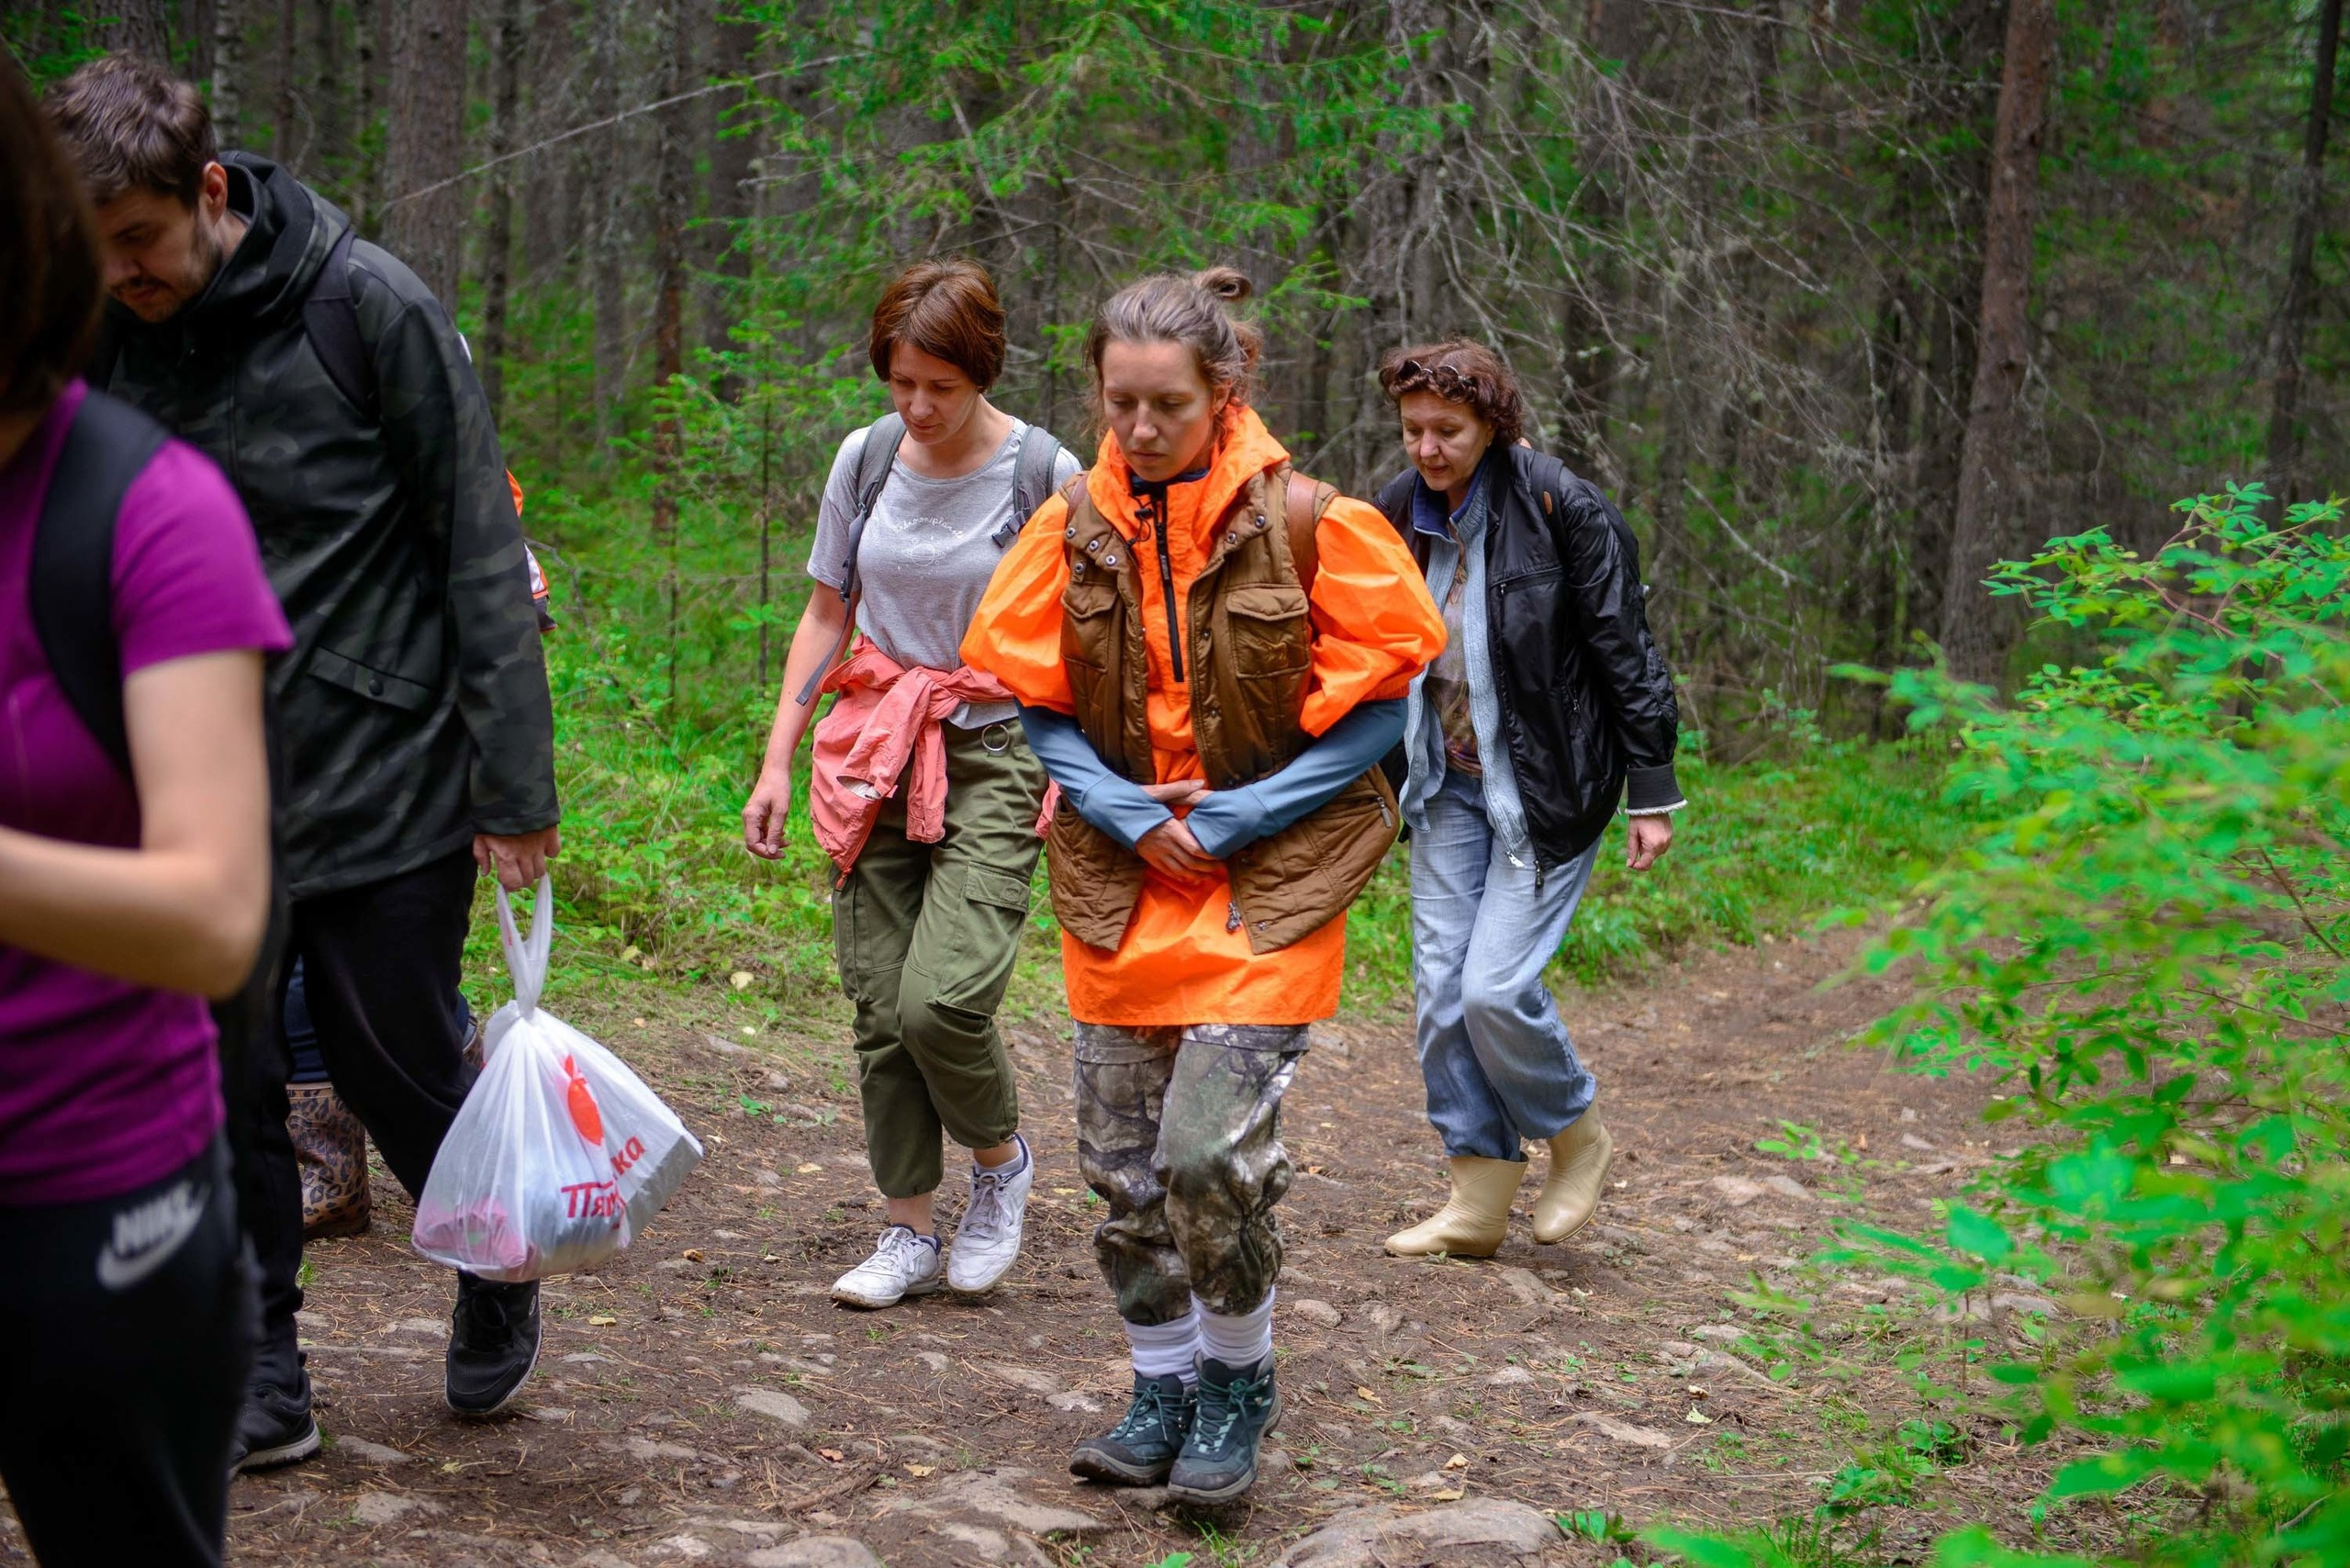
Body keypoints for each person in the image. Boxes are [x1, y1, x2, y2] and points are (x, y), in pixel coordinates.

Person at [45, 55, 563, 1463]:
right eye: (96, 254)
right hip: (185, 793)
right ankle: (262, 1364)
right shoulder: (95, 326)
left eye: (142, 244)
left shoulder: (367, 306)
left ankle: (495, 1257)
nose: (124, 275)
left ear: (208, 194)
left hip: (379, 777)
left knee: (398, 1065)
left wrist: (513, 786)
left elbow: (478, 552)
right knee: (223, 1090)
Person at [961, 269, 1444, 1506]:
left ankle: (1237, 1386)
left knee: (1205, 1158)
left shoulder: (1314, 521)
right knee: (1121, 1171)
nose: (1137, 430)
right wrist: (1122, 807)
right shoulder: (1072, 522)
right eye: (1119, 404)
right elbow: (1037, 696)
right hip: (1123, 885)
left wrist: (1244, 812)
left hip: (1266, 885)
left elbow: (1383, 702)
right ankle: (1160, 1384)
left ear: (1226, 394)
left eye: (1165, 405)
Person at [0, 57, 286, 1565]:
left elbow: (213, 912)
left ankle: (444, 1287)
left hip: (90, 1192)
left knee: (374, 1043)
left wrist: (506, 788)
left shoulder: (150, 504)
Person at [743, 261, 1079, 1309]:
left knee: (942, 1003)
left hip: (997, 746)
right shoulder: (869, 456)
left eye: (940, 386)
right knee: (879, 1006)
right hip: (873, 743)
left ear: (983, 371)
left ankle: (1000, 1161)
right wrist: (777, 755)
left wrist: (1076, 763)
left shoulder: (1045, 474)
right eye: (901, 383)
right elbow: (823, 611)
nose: (919, 408)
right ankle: (907, 1231)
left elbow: (1091, 635)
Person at [1370, 341, 1683, 1260]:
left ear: (1493, 426)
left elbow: (1626, 649)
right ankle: (1476, 1190)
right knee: (1439, 997)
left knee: (1493, 987)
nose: (1428, 448)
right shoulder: (1395, 511)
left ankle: (1576, 1131)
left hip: (1545, 786)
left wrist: (1651, 790)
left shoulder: (1561, 507)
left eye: (1448, 431)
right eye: (1414, 429)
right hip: (1443, 783)